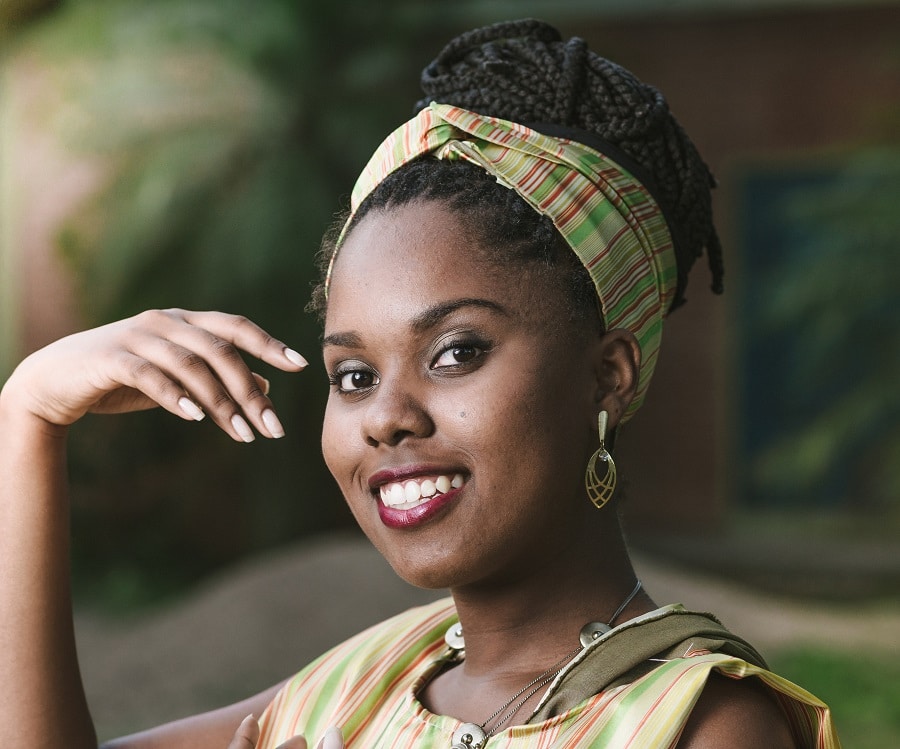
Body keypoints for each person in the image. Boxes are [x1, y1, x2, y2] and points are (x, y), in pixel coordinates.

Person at [0, 19, 839, 749]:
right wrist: (29, 418)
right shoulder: (367, 681)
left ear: (606, 375)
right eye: (354, 374)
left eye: (455, 352)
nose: (387, 419)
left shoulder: (701, 723)